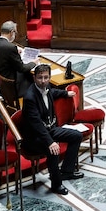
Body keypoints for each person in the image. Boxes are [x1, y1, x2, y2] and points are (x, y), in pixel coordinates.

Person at [20, 64, 84, 195]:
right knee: (53, 150)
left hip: (49, 129)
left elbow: (53, 92)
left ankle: (67, 171)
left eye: (46, 77)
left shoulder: (47, 87)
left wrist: (66, 93)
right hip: (35, 137)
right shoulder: (30, 98)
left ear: (49, 77)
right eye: (40, 78)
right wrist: (50, 142)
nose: (43, 81)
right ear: (34, 78)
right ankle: (56, 184)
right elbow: (36, 124)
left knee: (76, 136)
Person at [0, 20, 34, 100]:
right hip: (12, 84)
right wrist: (33, 63)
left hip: (0, 81)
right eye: (15, 32)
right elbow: (22, 68)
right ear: (12, 32)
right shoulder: (10, 47)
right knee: (33, 78)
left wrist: (15, 51)